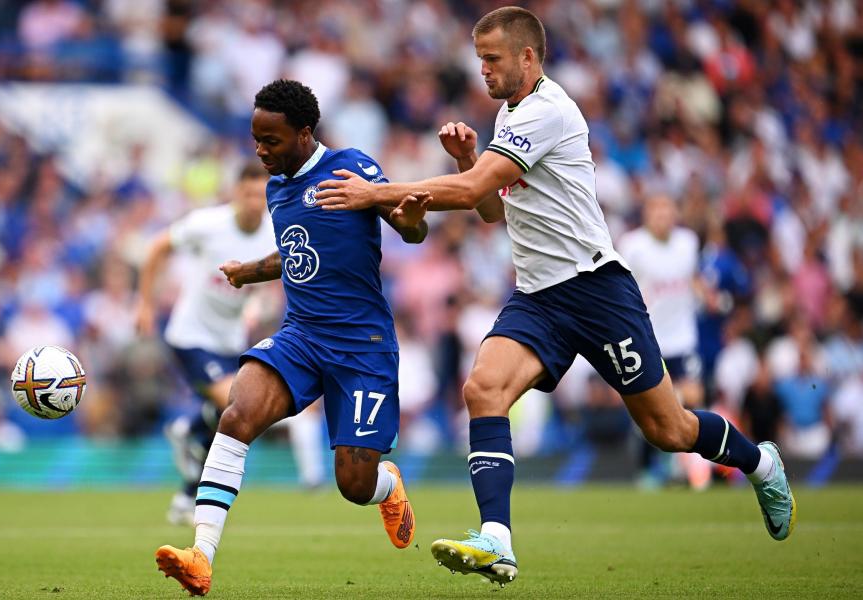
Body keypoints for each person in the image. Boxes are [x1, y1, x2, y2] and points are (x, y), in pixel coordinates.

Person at [315, 6, 795, 586]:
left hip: (596, 290)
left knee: (669, 431)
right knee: (482, 387)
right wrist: (469, 159)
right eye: (478, 60)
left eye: (492, 59)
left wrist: (375, 194)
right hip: (539, 295)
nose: (483, 70)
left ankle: (761, 463)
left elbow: (471, 194)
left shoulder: (547, 110)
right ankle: (497, 540)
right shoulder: (510, 113)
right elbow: (493, 208)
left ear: (527, 56)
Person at [154, 79, 429, 596]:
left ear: (305, 133)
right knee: (237, 415)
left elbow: (408, 227)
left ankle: (388, 487)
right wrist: (248, 271)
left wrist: (411, 221)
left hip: (361, 346)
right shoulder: (278, 187)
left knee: (354, 483)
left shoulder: (351, 167)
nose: (261, 151)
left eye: (271, 141)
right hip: (301, 335)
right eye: (256, 139)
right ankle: (201, 555)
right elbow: (298, 254)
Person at [135, 163, 324, 526]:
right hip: (190, 335)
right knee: (236, 403)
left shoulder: (275, 232)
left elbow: (273, 280)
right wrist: (144, 302)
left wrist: (255, 306)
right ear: (236, 193)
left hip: (230, 338)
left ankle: (187, 490)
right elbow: (159, 245)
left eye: (261, 195)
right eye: (249, 194)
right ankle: (191, 428)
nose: (255, 202)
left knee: (231, 414)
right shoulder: (208, 224)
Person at [618, 193, 710, 490]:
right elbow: (622, 286)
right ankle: (648, 471)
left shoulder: (688, 243)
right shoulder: (632, 246)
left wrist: (706, 294)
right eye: (657, 211)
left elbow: (693, 277)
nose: (663, 217)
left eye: (668, 210)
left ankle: (691, 469)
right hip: (649, 340)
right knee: (650, 411)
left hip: (683, 339)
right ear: (647, 215)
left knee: (693, 398)